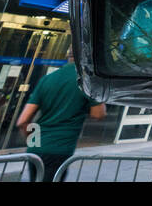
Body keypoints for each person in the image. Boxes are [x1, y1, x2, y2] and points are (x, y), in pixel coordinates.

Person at [16, 49, 106, 181]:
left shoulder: (47, 79)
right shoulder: (87, 81)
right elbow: (98, 114)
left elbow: (22, 121)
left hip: (35, 150)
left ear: (68, 56)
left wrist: (35, 142)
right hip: (60, 149)